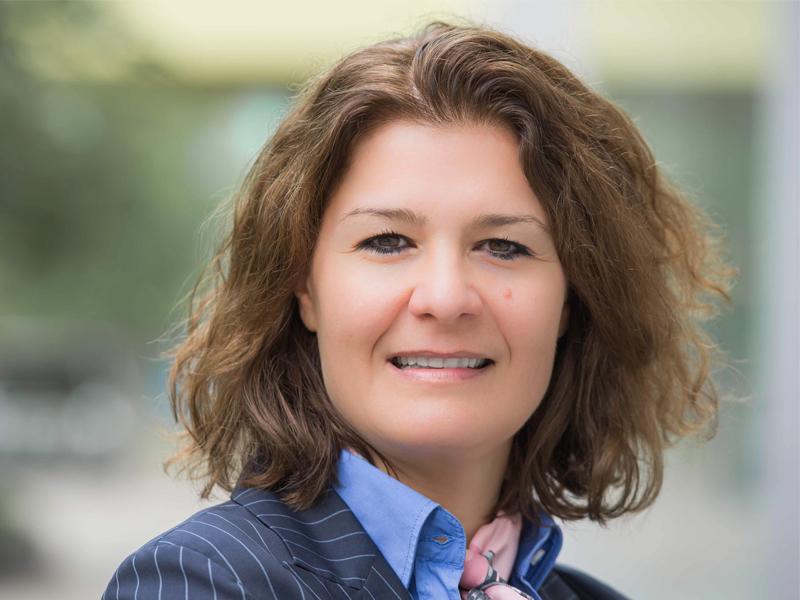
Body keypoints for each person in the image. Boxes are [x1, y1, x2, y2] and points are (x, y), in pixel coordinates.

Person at [102, 19, 735, 600]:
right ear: (304, 288)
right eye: (387, 242)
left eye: (504, 246)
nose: (445, 298)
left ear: (573, 299)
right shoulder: (203, 581)